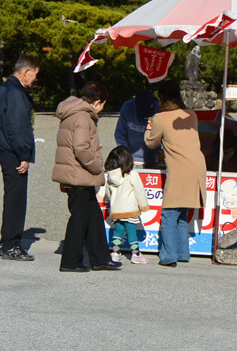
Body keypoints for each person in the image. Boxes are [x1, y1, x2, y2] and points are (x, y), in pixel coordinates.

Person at [52, 81, 121, 272]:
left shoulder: (72, 113)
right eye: (103, 105)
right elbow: (81, 148)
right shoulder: (83, 117)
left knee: (93, 216)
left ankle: (99, 258)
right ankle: (70, 261)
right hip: (79, 174)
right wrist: (97, 166)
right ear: (98, 102)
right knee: (80, 218)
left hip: (75, 173)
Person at [145, 80, 207, 268]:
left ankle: (169, 256)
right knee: (182, 213)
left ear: (161, 97)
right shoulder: (191, 115)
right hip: (197, 166)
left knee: (170, 214)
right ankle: (182, 253)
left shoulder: (160, 118)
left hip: (179, 168)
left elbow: (150, 142)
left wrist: (149, 125)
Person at [0, 54, 40, 261]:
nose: (35, 79)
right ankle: (11, 244)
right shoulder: (16, 93)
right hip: (13, 152)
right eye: (35, 75)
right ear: (26, 71)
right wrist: (24, 155)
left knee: (11, 197)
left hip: (4, 150)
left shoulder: (4, 89)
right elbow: (17, 127)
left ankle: (6, 242)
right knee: (16, 199)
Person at [104, 146, 150, 264]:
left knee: (118, 231)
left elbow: (108, 194)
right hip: (130, 210)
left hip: (116, 210)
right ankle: (135, 255)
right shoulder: (132, 174)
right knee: (132, 233)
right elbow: (139, 191)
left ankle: (115, 253)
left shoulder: (110, 176)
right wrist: (143, 205)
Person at [115, 90, 161, 168]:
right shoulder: (127, 107)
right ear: (135, 105)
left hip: (153, 160)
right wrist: (125, 154)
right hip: (131, 159)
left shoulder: (159, 111)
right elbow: (120, 134)